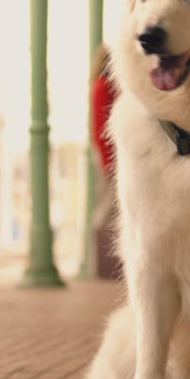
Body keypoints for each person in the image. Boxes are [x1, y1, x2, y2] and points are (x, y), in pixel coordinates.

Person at [89, 43, 121, 279]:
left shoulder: (103, 86)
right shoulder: (103, 87)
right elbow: (102, 128)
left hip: (111, 155)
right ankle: (99, 265)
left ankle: (102, 265)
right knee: (106, 209)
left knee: (109, 208)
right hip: (111, 157)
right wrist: (110, 161)